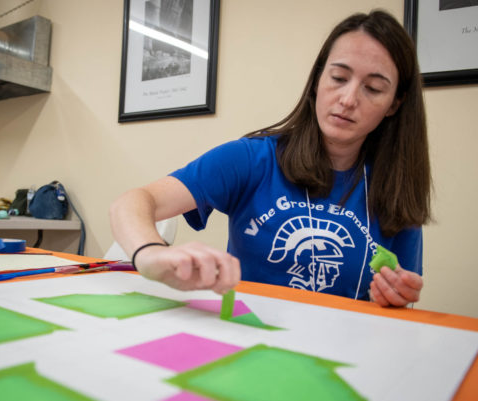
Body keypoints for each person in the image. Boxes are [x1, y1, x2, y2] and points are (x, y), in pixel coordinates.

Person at [110, 10, 431, 307]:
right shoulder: (252, 158)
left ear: (394, 104)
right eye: (338, 78)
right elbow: (133, 202)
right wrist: (150, 253)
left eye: (373, 88)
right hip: (247, 336)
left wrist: (396, 298)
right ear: (318, 81)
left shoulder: (396, 189)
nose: (348, 99)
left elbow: (397, 302)